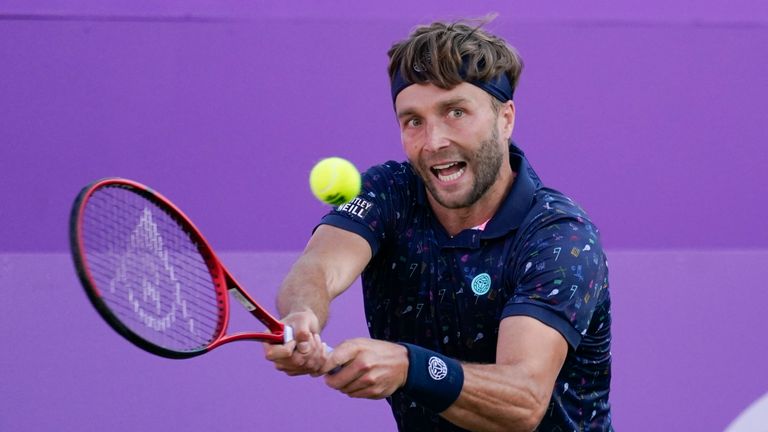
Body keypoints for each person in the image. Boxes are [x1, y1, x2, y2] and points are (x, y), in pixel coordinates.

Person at [264, 19, 612, 432]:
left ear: (506, 119)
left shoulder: (560, 237)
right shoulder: (387, 192)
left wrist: (410, 367)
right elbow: (319, 267)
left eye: (456, 112)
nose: (433, 141)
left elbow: (523, 400)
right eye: (413, 121)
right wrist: (304, 314)